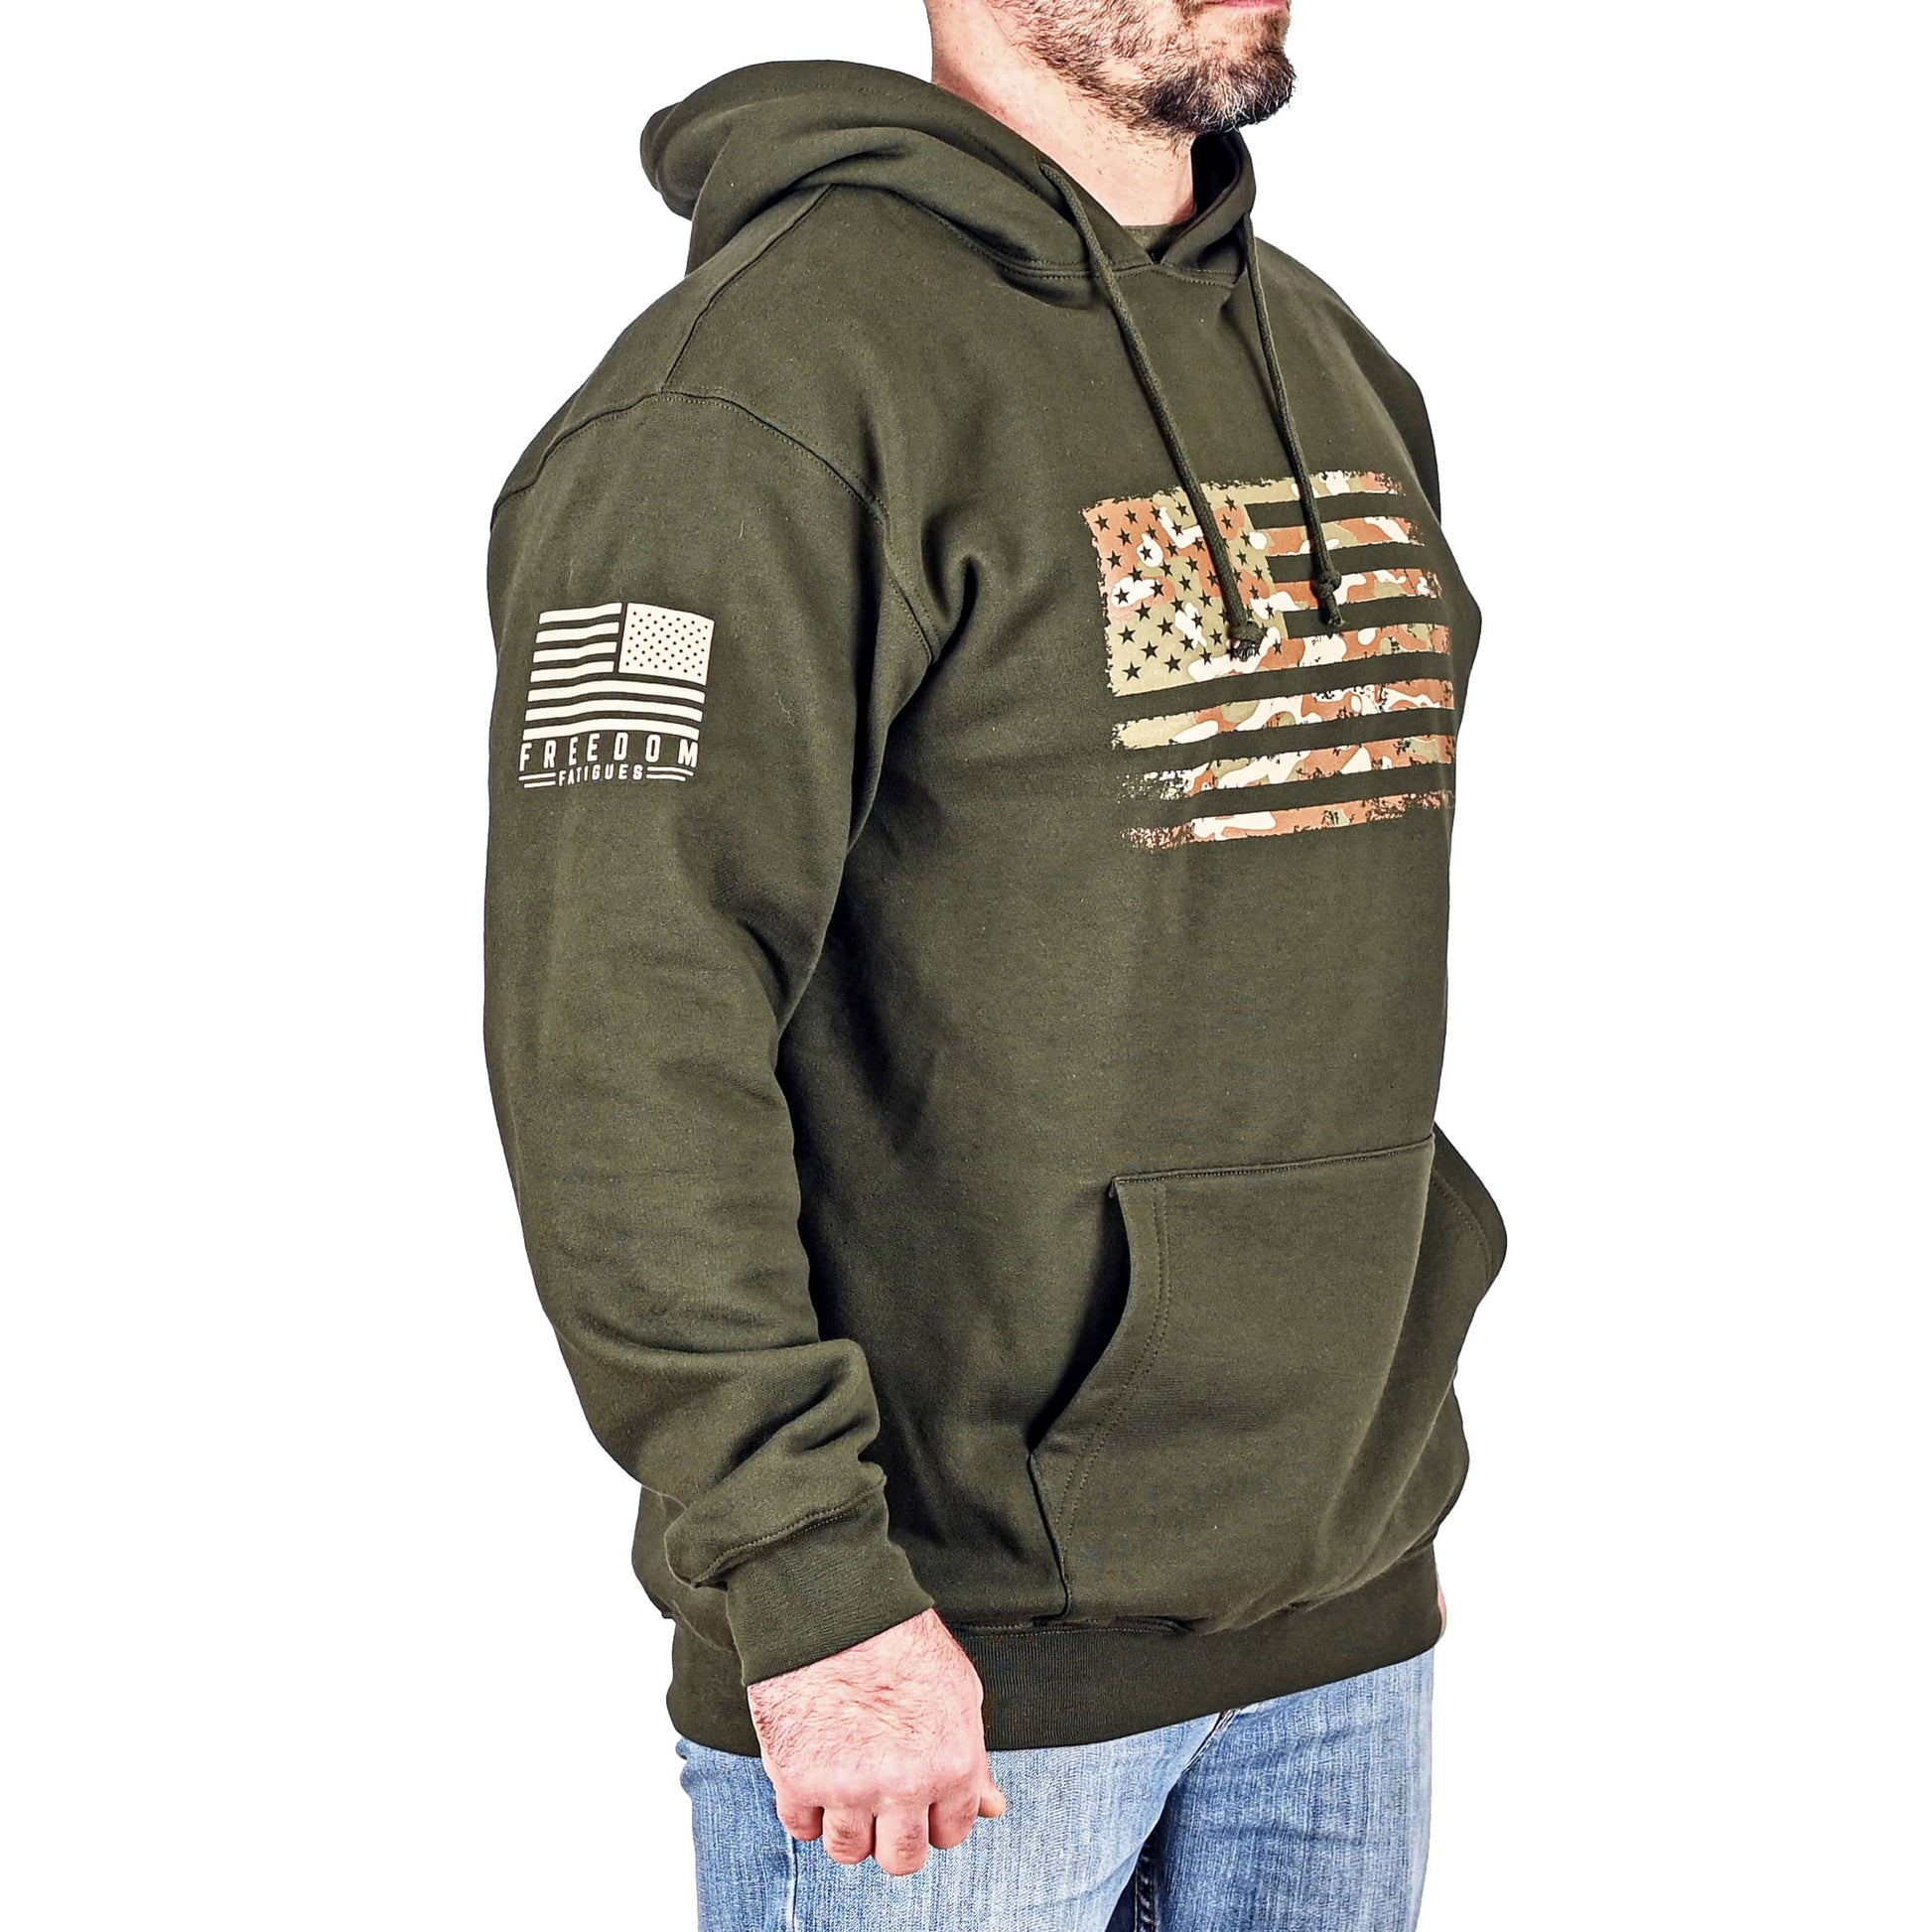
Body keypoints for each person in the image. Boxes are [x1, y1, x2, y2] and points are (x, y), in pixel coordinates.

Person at [482, 1, 1507, 1924]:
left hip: (1339, 1622)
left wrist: (1373, 1480)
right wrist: (800, 1568)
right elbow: (616, 1019)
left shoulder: (1334, 366)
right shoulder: (748, 400)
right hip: (932, 1669)